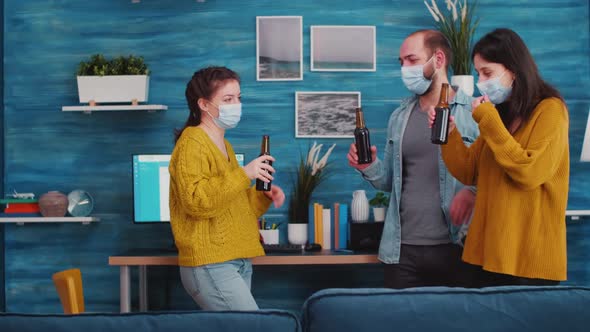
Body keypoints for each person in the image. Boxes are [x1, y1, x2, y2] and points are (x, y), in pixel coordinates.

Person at [428, 28, 569, 286]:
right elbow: (469, 171)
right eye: (478, 72)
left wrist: (488, 120)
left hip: (528, 260)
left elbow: (529, 172)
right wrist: (450, 135)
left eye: (487, 72)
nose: (481, 81)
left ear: (513, 70)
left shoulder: (550, 110)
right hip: (487, 254)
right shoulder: (500, 116)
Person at [347, 30, 479, 288]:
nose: (405, 69)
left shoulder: (475, 113)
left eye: (412, 60)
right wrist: (368, 167)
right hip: (401, 251)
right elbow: (389, 181)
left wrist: (473, 191)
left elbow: (494, 176)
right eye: (402, 62)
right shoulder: (399, 116)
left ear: (438, 60)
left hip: (458, 248)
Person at [169, 66, 285, 310]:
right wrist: (244, 174)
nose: (236, 105)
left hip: (236, 260)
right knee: (253, 328)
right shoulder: (192, 143)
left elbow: (231, 206)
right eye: (228, 99)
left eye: (238, 98)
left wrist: (262, 196)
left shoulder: (225, 145)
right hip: (211, 262)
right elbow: (196, 202)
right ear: (204, 104)